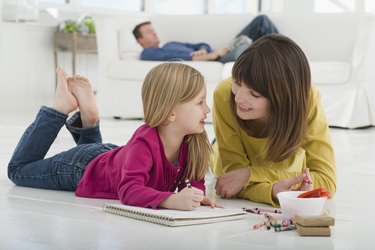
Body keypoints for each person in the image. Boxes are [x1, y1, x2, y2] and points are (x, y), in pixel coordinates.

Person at [7, 63, 220, 211]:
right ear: (171, 112)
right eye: (200, 102)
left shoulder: (193, 141)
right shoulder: (145, 141)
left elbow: (194, 182)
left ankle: (89, 120)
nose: (208, 109)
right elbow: (128, 190)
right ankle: (60, 108)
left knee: (105, 160)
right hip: (81, 167)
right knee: (18, 170)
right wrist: (171, 200)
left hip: (112, 158)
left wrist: (196, 196)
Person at [212, 34, 337, 207]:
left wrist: (251, 175)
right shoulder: (225, 94)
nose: (239, 98)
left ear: (282, 99)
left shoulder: (306, 98)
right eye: (237, 83)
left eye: (254, 94)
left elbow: (326, 181)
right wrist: (271, 190)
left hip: (280, 165)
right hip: (224, 150)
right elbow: (231, 181)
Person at [132, 15, 278, 63]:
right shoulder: (147, 53)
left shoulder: (170, 43)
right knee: (245, 49)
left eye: (154, 30)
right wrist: (209, 56)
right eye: (149, 32)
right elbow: (173, 59)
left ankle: (283, 54)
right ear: (140, 41)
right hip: (217, 58)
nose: (155, 33)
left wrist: (203, 49)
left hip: (219, 52)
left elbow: (202, 44)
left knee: (261, 20)